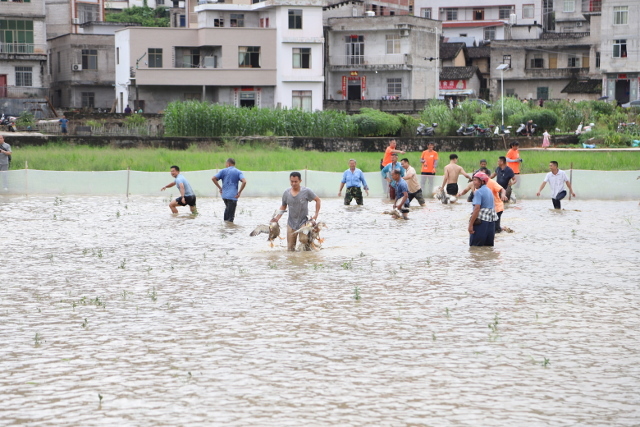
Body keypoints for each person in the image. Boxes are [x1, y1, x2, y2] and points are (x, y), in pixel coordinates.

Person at [272, 172, 321, 251]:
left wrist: (316, 214)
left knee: (303, 240)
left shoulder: (306, 191)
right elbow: (283, 206)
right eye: (292, 181)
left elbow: (318, 200)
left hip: (303, 221)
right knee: (290, 249)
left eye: (296, 181)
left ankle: (310, 249)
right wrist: (277, 218)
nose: (293, 183)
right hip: (291, 223)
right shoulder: (286, 193)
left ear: (300, 181)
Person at [212, 158, 247, 223]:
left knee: (227, 210)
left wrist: (220, 188)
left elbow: (213, 178)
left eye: (226, 164)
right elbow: (244, 182)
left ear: (228, 164)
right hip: (233, 196)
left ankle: (225, 227)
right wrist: (239, 192)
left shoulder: (223, 171)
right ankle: (229, 228)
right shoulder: (238, 172)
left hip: (224, 196)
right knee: (231, 217)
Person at [468, 172, 498, 247]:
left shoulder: (478, 192)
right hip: (491, 223)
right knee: (488, 248)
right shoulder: (489, 191)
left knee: (475, 248)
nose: (473, 182)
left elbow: (477, 209)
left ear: (482, 181)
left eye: (475, 180)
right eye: (473, 180)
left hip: (481, 222)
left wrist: (470, 225)